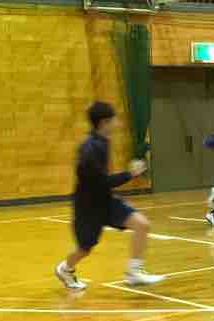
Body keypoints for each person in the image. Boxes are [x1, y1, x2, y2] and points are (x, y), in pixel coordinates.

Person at [54, 101, 164, 291]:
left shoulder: (103, 141)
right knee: (85, 248)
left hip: (105, 201)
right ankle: (65, 269)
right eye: (114, 119)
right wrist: (130, 174)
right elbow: (101, 181)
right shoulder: (89, 149)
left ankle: (133, 273)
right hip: (88, 207)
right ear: (104, 122)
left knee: (142, 224)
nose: (117, 123)